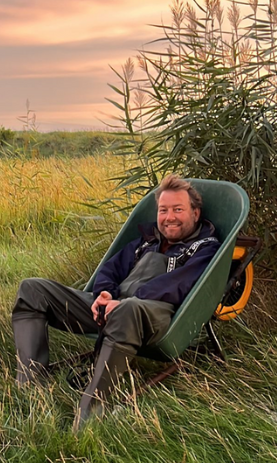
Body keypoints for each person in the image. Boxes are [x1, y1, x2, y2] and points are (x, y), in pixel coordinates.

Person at [11, 174, 221, 429]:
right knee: (32, 289)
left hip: (153, 314)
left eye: (178, 209)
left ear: (195, 214)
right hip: (113, 306)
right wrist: (105, 294)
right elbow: (111, 269)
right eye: (163, 210)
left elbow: (179, 284)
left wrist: (127, 301)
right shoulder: (147, 241)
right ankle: (30, 388)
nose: (169, 217)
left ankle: (90, 413)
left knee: (129, 309)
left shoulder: (205, 247)